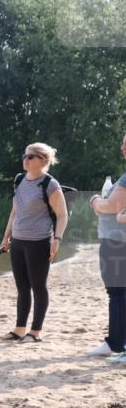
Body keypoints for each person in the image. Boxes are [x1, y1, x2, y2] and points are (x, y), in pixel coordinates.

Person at [0, 142, 69, 344]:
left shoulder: (49, 184)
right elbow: (14, 211)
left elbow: (62, 215)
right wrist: (6, 238)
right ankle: (19, 330)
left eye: (30, 157)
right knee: (22, 287)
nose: (25, 159)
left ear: (42, 160)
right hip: (18, 240)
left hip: (39, 242)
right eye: (24, 155)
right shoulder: (19, 180)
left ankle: (36, 332)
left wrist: (57, 240)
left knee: (38, 286)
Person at [85, 133, 126, 358]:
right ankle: (118, 342)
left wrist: (95, 200)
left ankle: (116, 344)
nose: (122, 148)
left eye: (125, 145)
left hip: (117, 241)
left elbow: (113, 206)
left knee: (117, 292)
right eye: (122, 144)